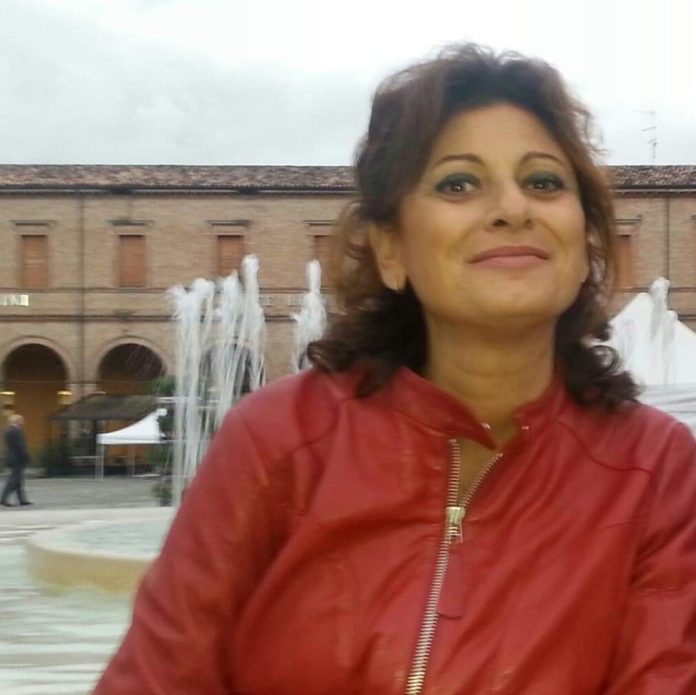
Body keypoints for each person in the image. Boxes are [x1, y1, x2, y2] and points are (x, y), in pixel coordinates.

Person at [93, 44, 696, 694]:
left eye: (544, 182)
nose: (513, 207)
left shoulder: (655, 471)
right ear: (391, 250)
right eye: (458, 183)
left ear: (586, 244)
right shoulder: (279, 440)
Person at [1, 414, 32, 507]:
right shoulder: (17, 431)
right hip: (18, 459)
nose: (23, 422)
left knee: (18, 481)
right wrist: (26, 456)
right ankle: (3, 499)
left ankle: (22, 499)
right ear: (17, 421)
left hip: (11, 457)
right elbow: (20, 445)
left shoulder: (8, 431)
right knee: (13, 480)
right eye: (22, 420)